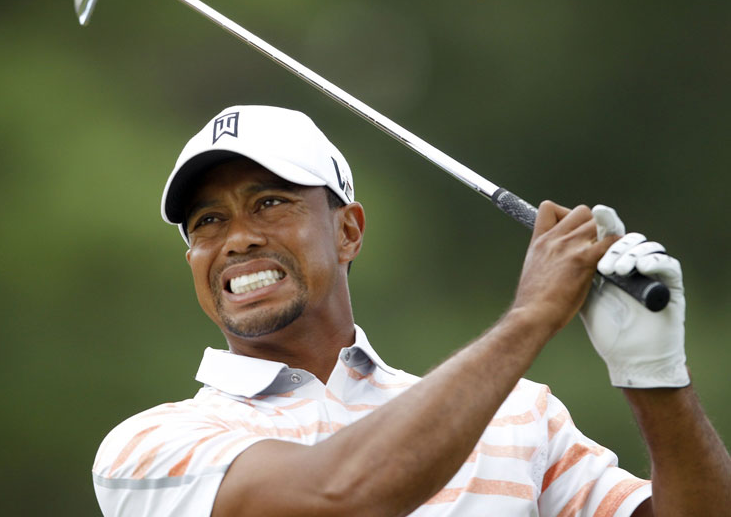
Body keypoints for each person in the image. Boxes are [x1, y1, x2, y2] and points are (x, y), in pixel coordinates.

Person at [92, 105, 730, 516]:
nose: (236, 239)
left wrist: (656, 377)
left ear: (348, 231)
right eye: (207, 222)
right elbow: (343, 496)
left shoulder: (520, 416)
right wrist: (533, 314)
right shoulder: (149, 446)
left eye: (270, 204)